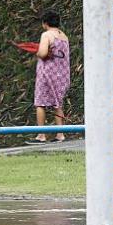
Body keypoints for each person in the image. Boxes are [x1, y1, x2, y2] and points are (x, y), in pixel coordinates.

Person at [27, 10, 71, 144]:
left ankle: (41, 135)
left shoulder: (46, 35)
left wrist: (37, 52)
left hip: (47, 74)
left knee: (40, 103)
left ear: (45, 23)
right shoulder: (64, 36)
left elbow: (43, 53)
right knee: (58, 103)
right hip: (62, 75)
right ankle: (60, 134)